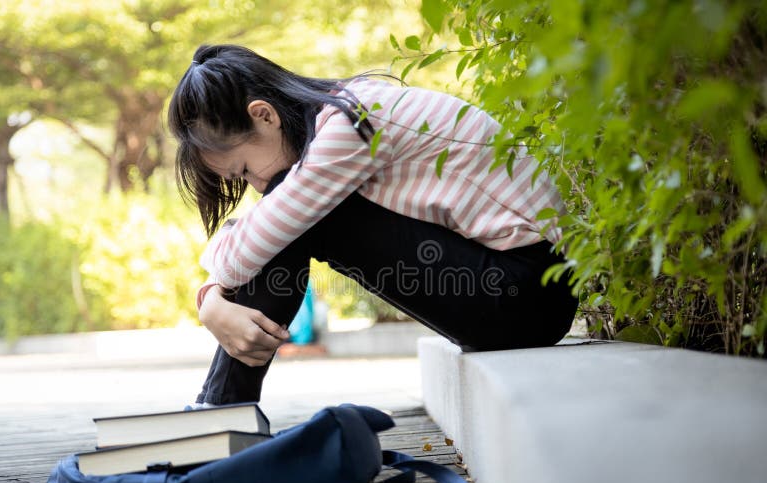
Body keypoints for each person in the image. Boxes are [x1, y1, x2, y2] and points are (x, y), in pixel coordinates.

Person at [167, 44, 578, 407]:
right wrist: (215, 293)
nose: (254, 186)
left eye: (243, 170)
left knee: (294, 209)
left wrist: (210, 300)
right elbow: (265, 226)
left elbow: (265, 230)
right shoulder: (342, 114)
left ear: (264, 115)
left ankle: (220, 411)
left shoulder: (352, 121)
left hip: (528, 295)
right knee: (288, 208)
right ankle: (220, 411)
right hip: (508, 289)